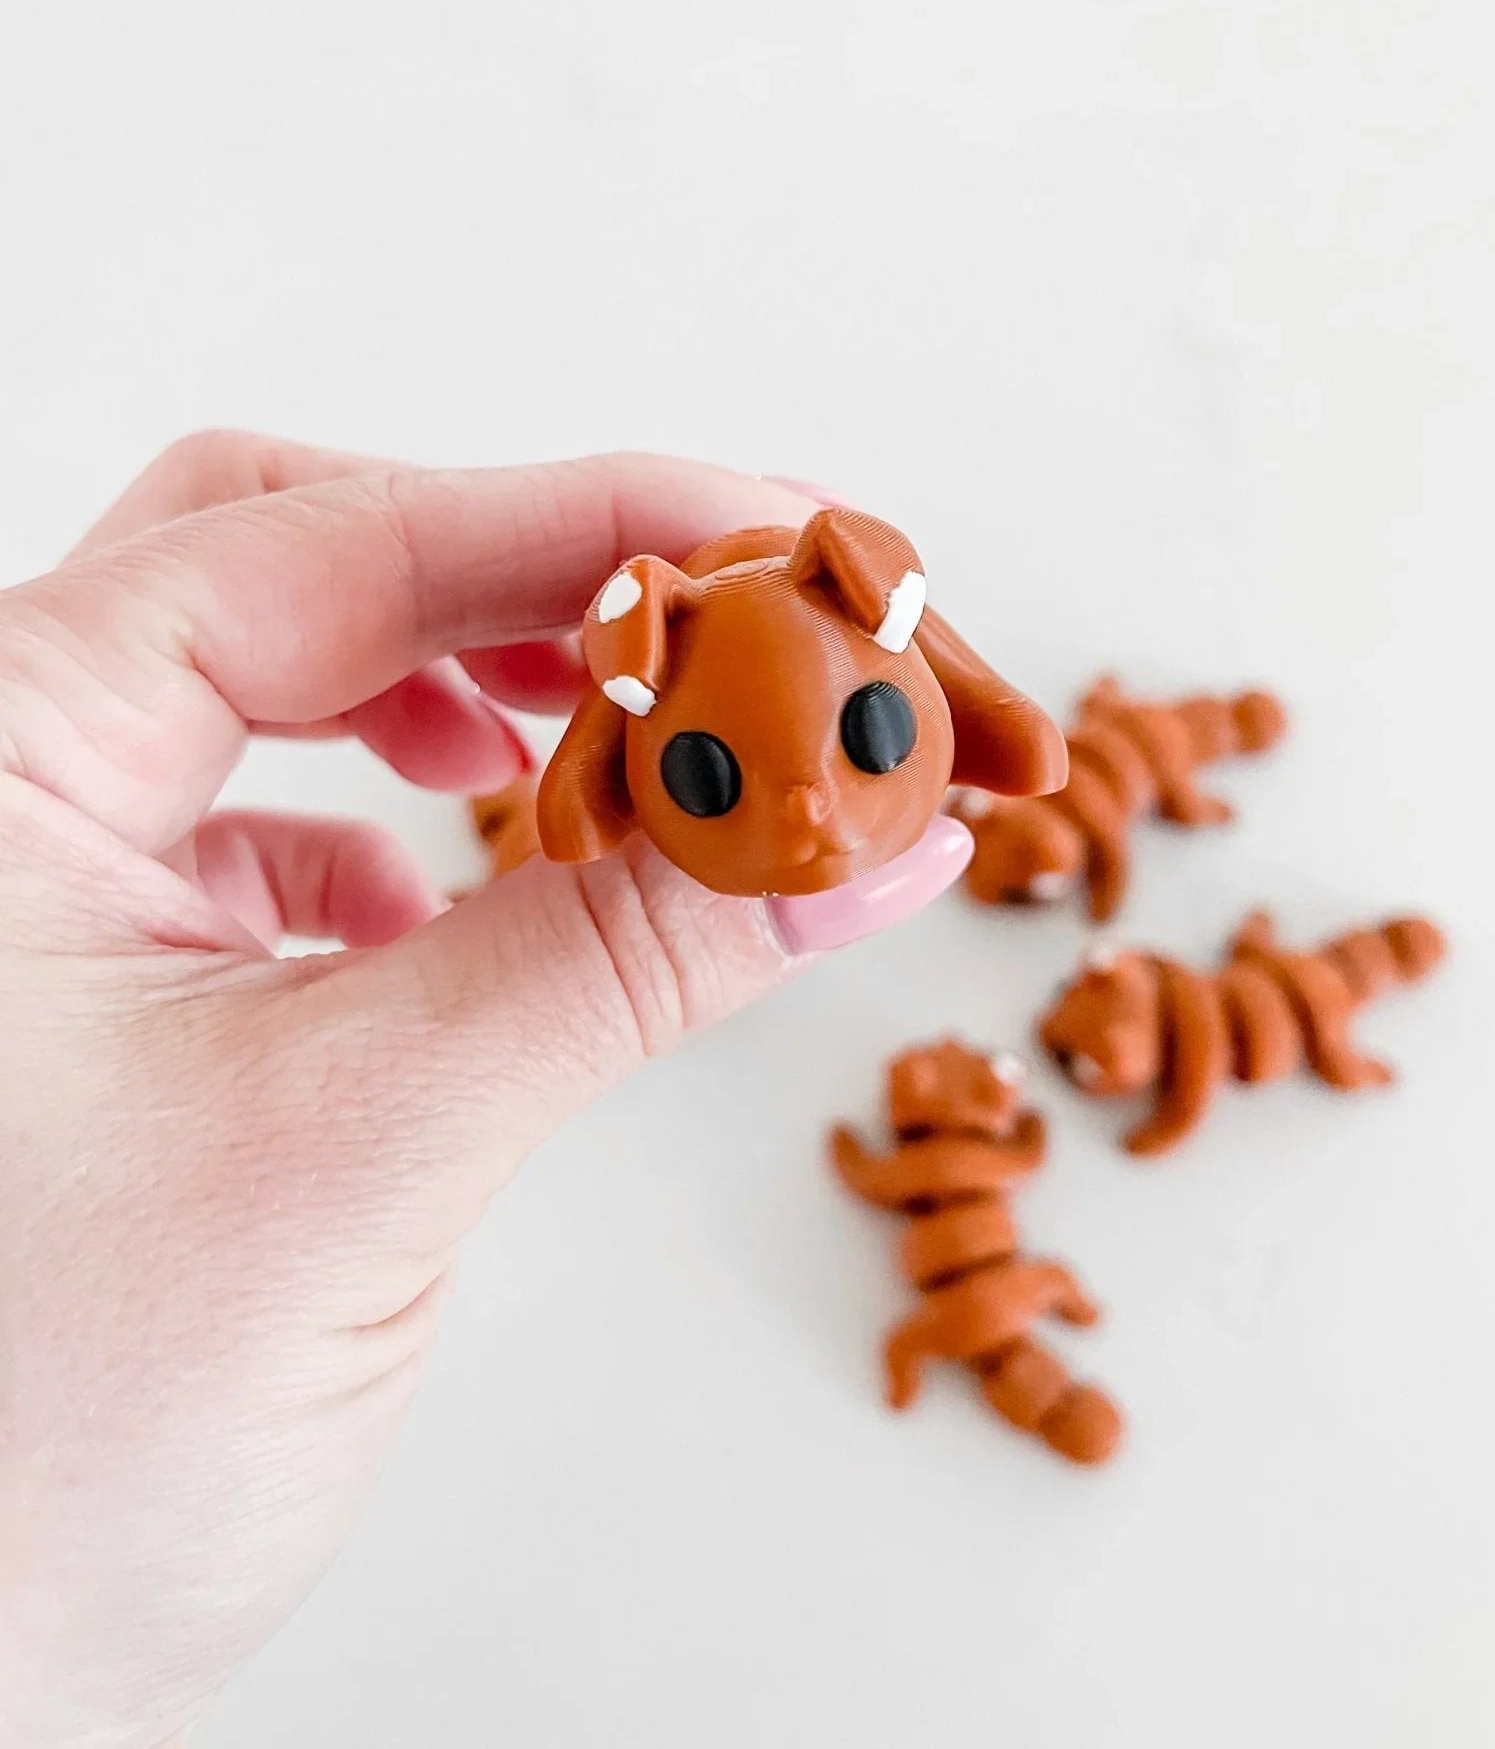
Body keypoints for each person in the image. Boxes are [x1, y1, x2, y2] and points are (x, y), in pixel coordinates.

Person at [0, 435, 970, 1746]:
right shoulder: (637, 690)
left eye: (873, 732)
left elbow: (973, 706)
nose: (811, 832)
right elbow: (580, 794)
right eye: (707, 777)